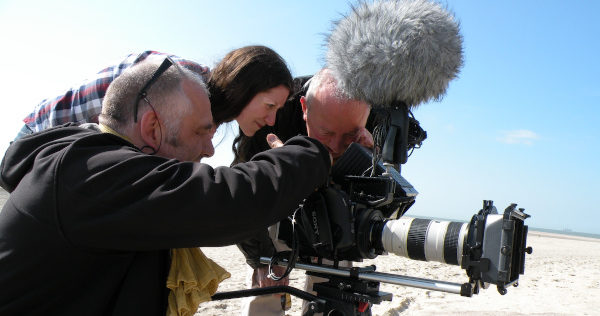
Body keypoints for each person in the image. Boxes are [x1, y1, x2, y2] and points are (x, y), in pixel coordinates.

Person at [0, 57, 332, 315]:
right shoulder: (89, 175)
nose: (209, 149)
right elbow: (231, 200)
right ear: (152, 127)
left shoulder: (93, 169)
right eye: (201, 132)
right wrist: (316, 149)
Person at [235, 68, 373, 316]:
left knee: (335, 291)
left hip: (334, 217)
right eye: (327, 133)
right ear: (304, 108)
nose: (334, 146)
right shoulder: (271, 114)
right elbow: (241, 201)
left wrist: (367, 161)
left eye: (349, 135)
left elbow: (378, 205)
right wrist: (260, 260)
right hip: (272, 208)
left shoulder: (373, 124)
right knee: (265, 290)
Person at [15, 45, 293, 141]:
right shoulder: (180, 84)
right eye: (270, 106)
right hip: (40, 135)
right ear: (242, 87)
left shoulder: (202, 110)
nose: (271, 120)